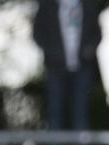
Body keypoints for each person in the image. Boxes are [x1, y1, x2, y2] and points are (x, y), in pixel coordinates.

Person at [32, 0, 101, 133]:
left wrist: (88, 51)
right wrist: (52, 53)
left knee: (81, 111)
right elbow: (38, 34)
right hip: (55, 68)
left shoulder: (88, 5)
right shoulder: (47, 5)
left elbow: (97, 34)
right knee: (54, 112)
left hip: (82, 68)